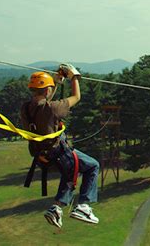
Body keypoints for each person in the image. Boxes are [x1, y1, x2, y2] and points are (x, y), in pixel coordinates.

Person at [20, 64, 99, 228]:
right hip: (59, 153)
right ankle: (83, 206)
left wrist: (55, 82)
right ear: (48, 90)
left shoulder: (26, 108)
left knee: (69, 174)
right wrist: (74, 78)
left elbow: (43, 101)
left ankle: (56, 208)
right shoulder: (53, 108)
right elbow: (76, 97)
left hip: (42, 157)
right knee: (92, 166)